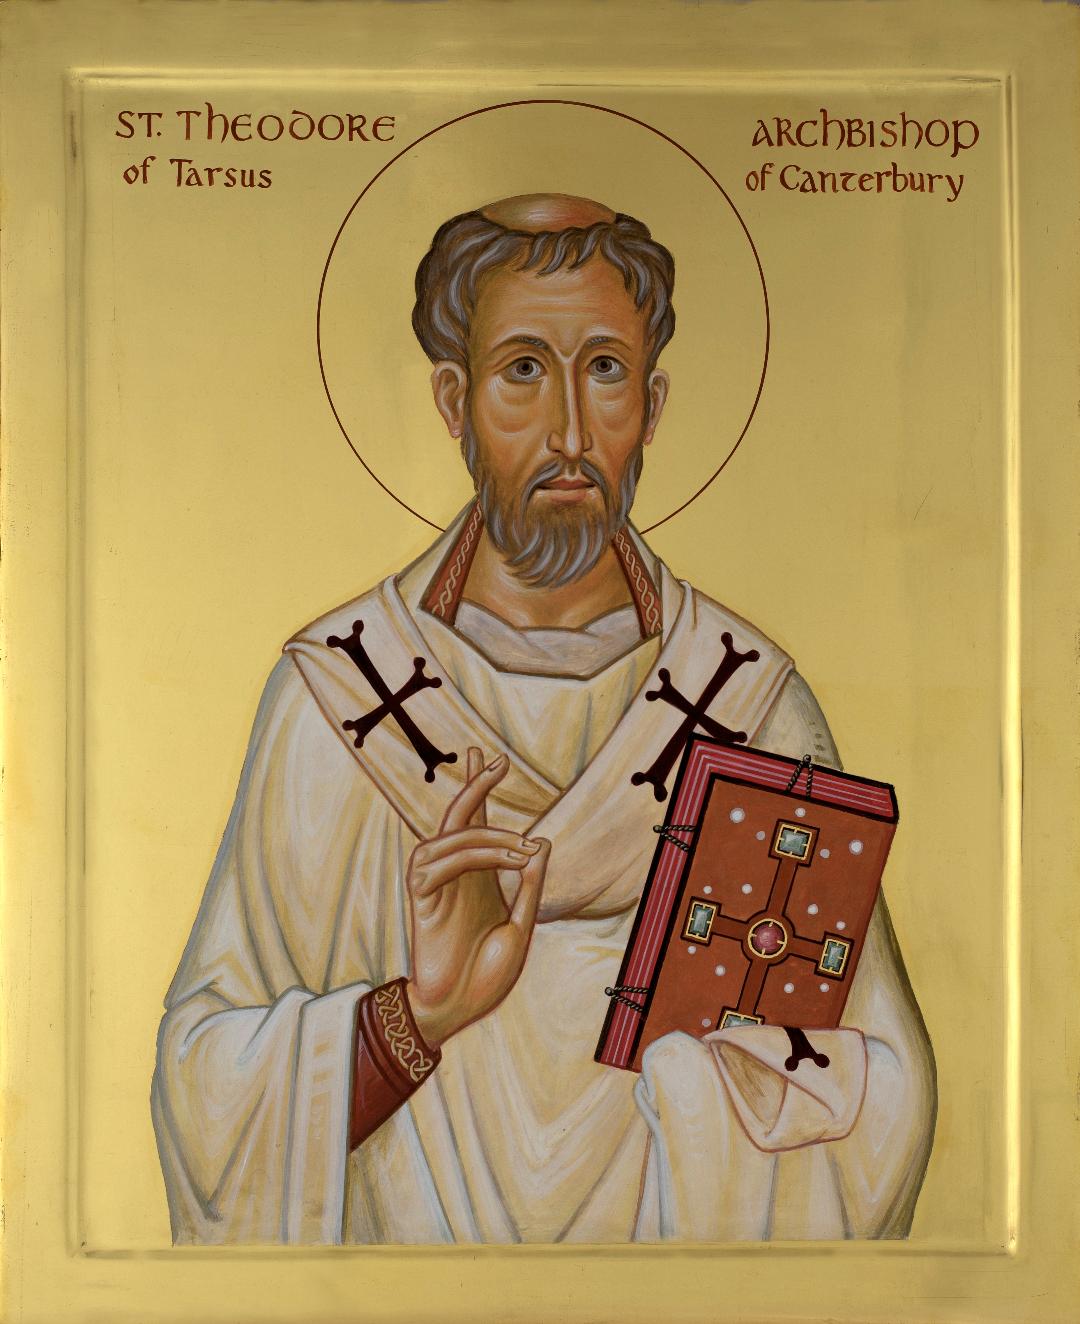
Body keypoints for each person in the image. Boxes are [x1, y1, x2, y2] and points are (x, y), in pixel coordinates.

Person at [151, 193, 936, 1245]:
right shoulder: (335, 704)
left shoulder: (750, 708)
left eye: (604, 369)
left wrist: (692, 1088)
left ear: (651, 406)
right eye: (522, 369)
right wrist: (414, 1021)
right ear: (454, 400)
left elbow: (880, 1094)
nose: (569, 431)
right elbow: (203, 1087)